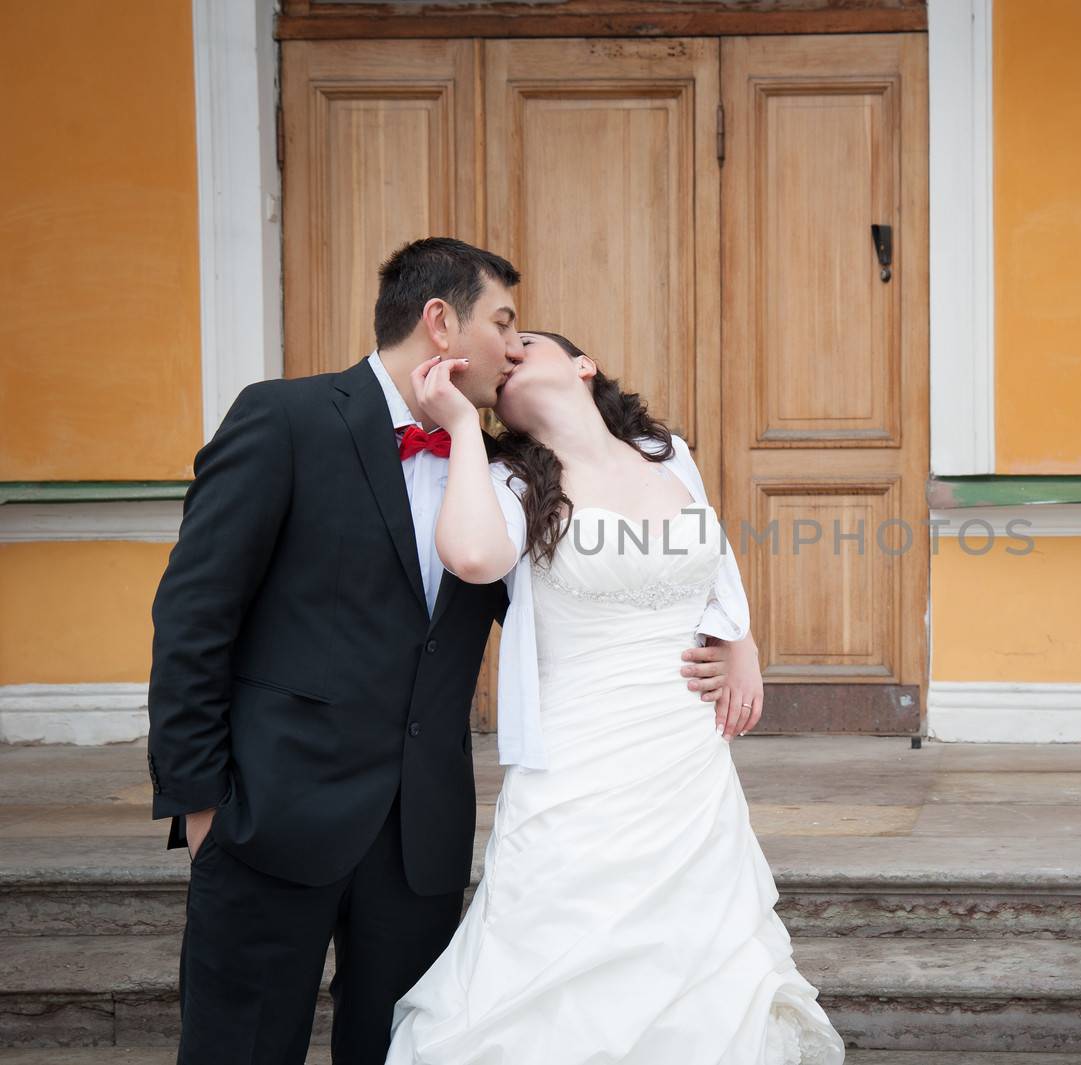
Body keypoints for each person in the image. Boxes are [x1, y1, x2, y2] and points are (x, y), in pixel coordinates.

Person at [146, 239, 734, 1064]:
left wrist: (729, 633)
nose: (513, 346)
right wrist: (199, 803)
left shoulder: (503, 475)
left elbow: (646, 544)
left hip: (420, 840)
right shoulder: (285, 418)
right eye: (503, 322)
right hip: (271, 816)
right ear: (440, 322)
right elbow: (193, 618)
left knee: (398, 1051)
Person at [383, 332, 845, 1063]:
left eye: (524, 342)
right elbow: (472, 556)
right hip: (579, 754)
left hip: (685, 754)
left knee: (699, 949)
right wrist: (464, 426)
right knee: (564, 940)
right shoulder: (509, 478)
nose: (506, 355)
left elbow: (712, 556)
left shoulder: (666, 453)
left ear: (581, 364)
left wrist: (742, 640)